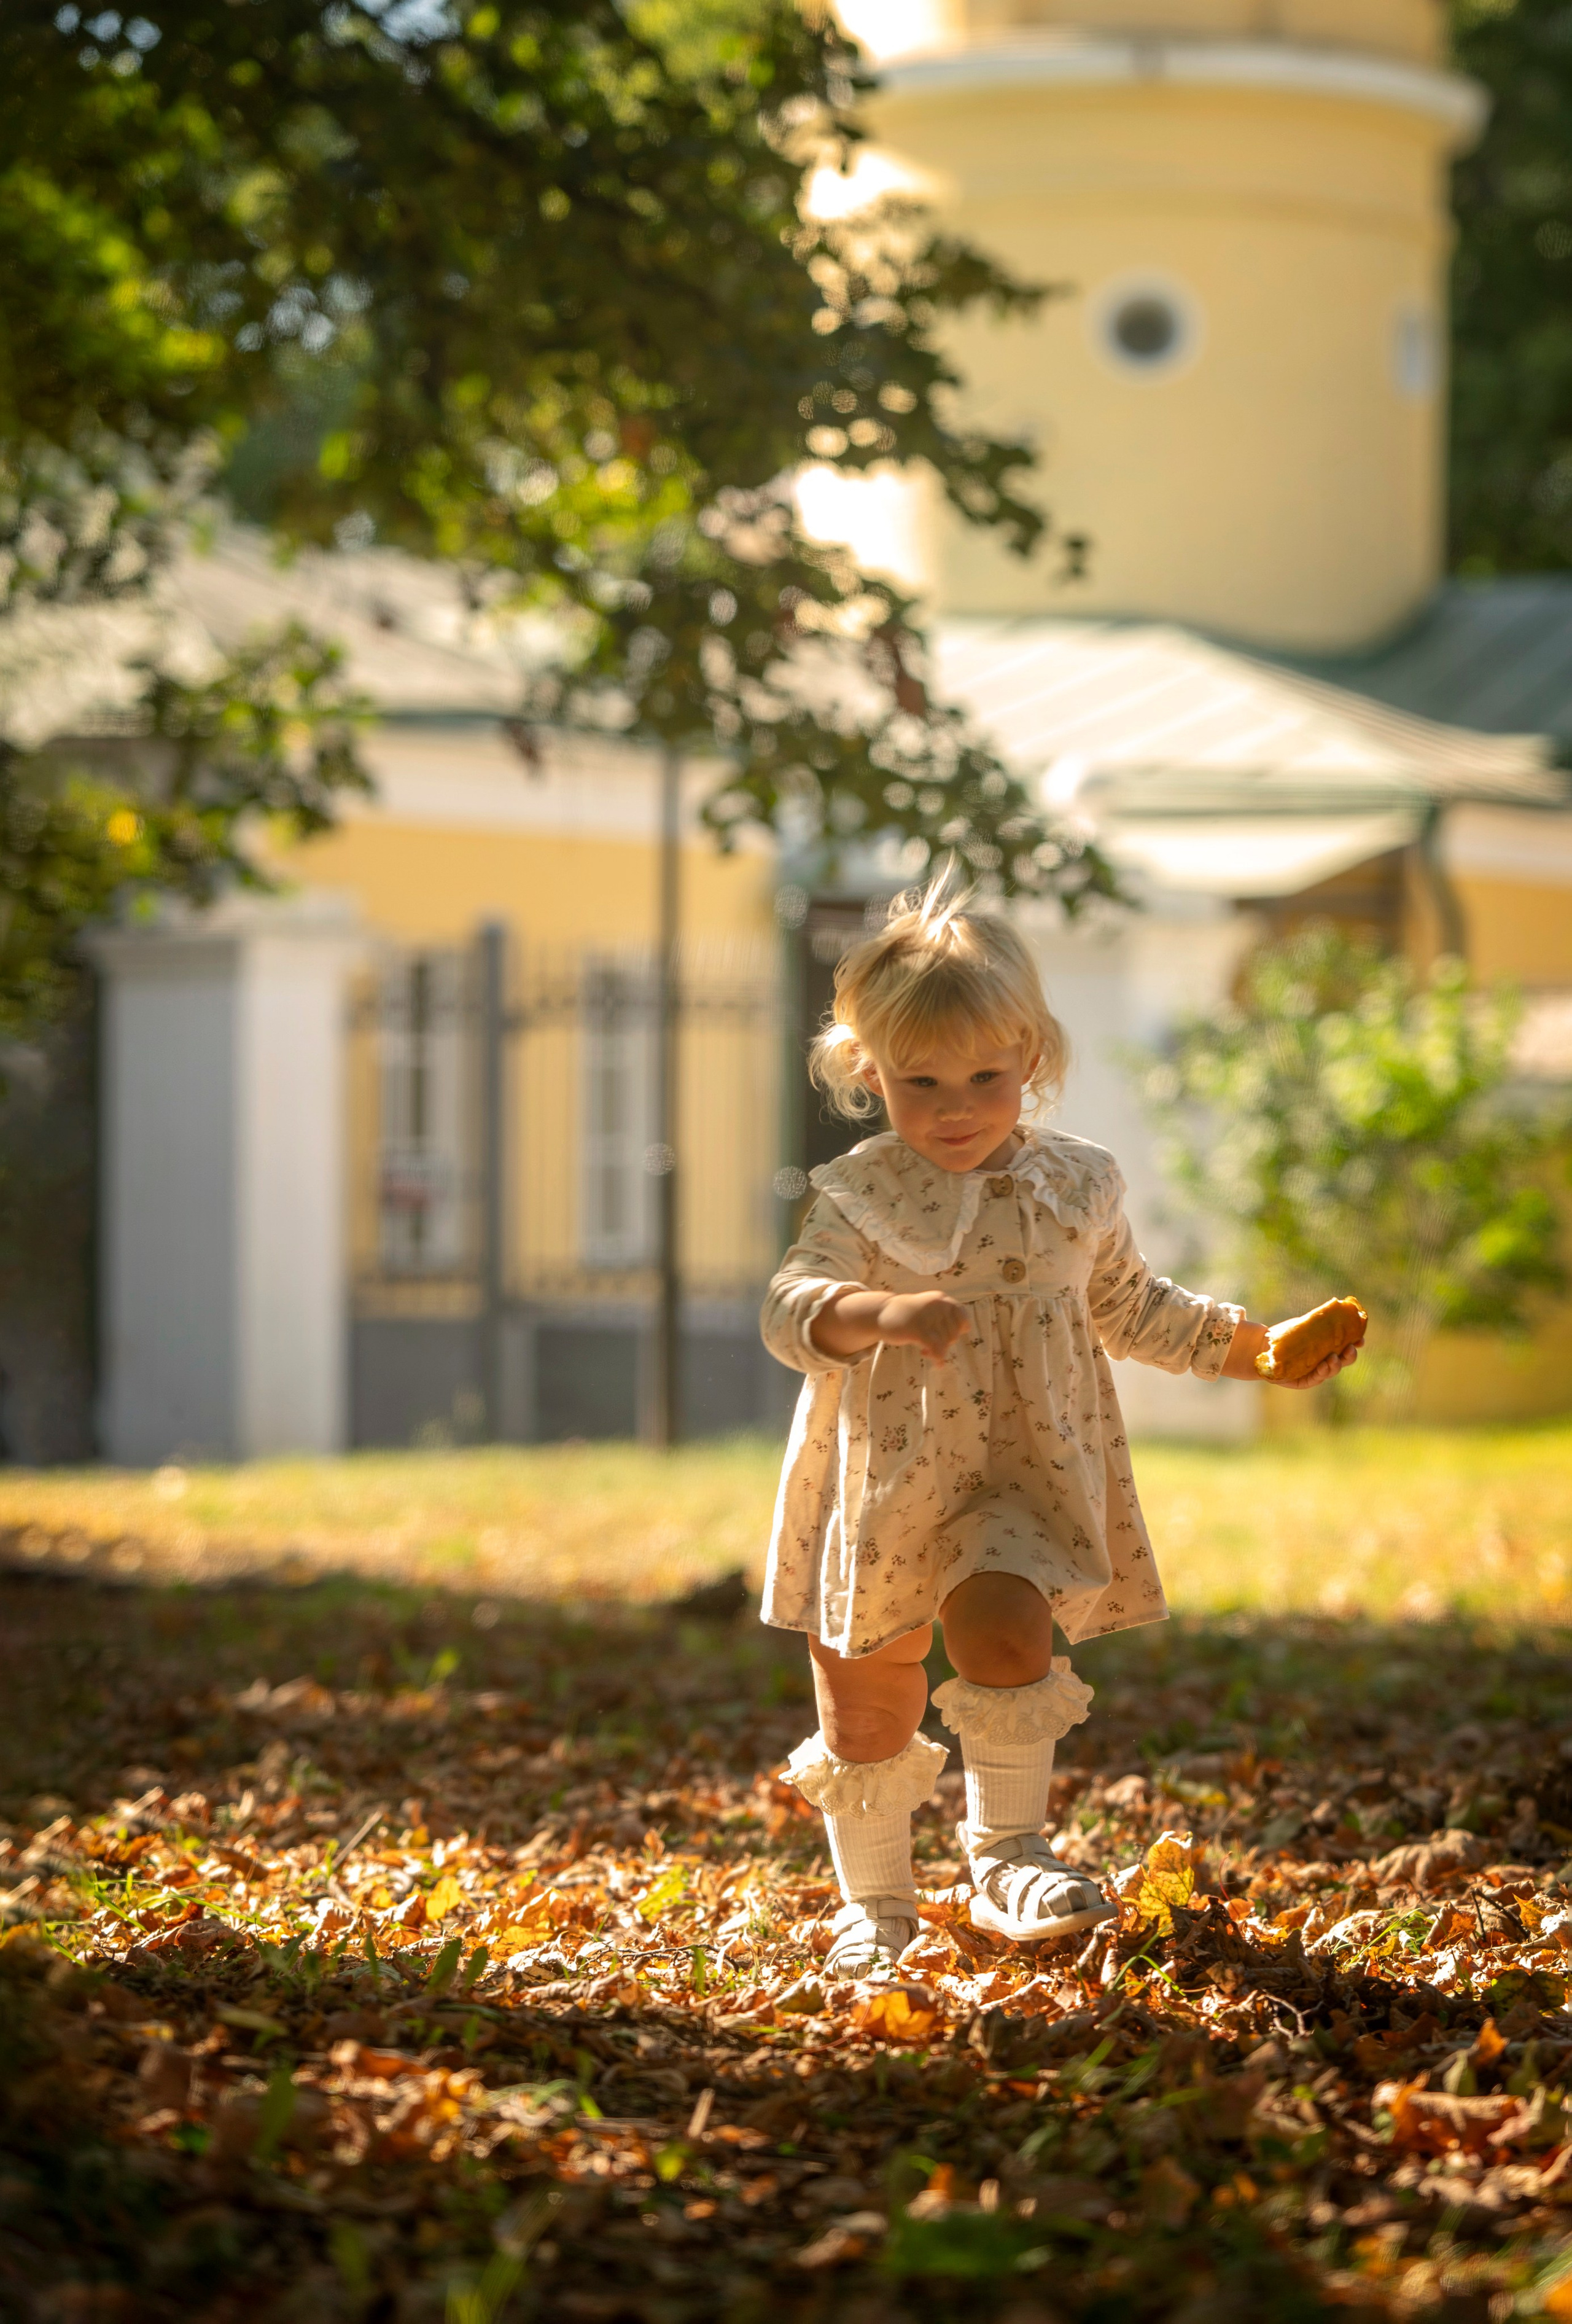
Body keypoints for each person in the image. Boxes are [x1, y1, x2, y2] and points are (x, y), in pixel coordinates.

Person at [760, 881, 1358, 1977]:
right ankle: (877, 1905)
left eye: (986, 1077)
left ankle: (1008, 1852)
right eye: (921, 1082)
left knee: (1008, 1635)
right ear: (868, 1072)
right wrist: (879, 1313)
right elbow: (792, 1306)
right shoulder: (860, 1196)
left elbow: (1132, 1306)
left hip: (1021, 1474)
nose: (956, 1106)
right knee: (869, 1696)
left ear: (1030, 1055)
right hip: (884, 1478)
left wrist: (1258, 1348)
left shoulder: (1076, 1186)